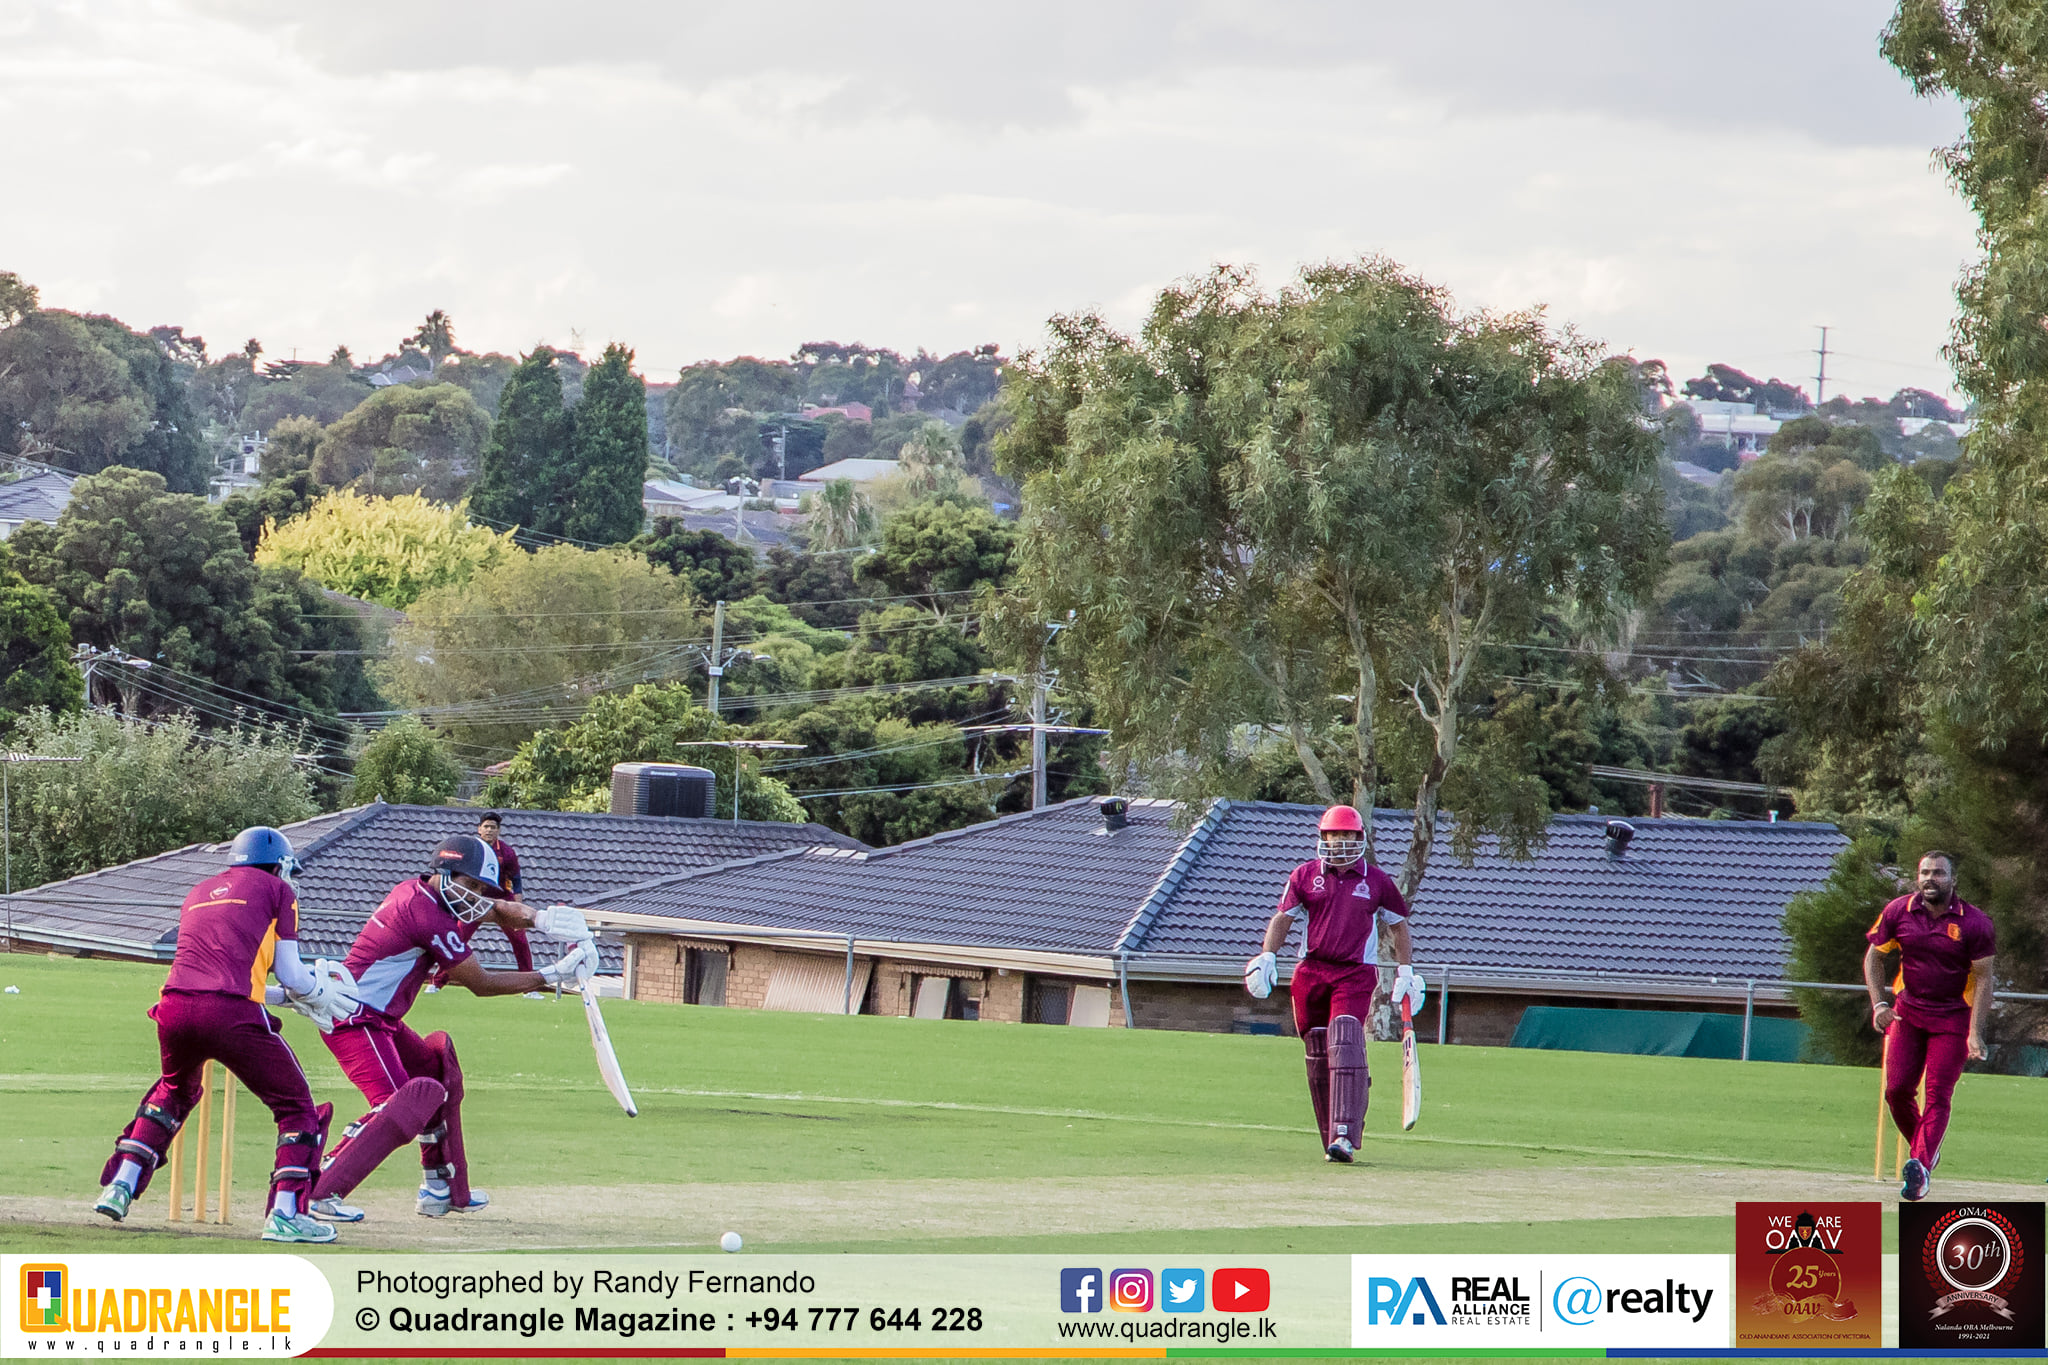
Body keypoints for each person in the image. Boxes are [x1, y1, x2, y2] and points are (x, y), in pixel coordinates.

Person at [91, 826, 353, 1243]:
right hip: (230, 1011)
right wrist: (317, 993)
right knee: (296, 1109)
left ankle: (122, 1182)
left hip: (174, 1007)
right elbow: (291, 973)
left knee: (173, 1092)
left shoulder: (200, 890)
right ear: (279, 864)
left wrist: (288, 996)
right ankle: (285, 1213)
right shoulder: (279, 891)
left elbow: (223, 971)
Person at [312, 834, 589, 1221]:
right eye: (470, 884)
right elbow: (481, 984)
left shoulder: (425, 892)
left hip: (380, 1020)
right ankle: (318, 1190)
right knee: (398, 1105)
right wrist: (553, 975)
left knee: (437, 1070)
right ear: (445, 872)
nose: (475, 895)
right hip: (355, 1018)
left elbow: (491, 908)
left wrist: (542, 919)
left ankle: (440, 1185)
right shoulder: (423, 914)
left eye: (480, 887)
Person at [1243, 804, 1423, 1162]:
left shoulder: (1377, 881)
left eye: (1347, 835)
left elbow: (1398, 925)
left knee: (1345, 1038)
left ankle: (1344, 1133)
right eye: (1333, 835)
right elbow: (1284, 918)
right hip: (1310, 971)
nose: (1339, 842)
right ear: (1322, 838)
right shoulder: (1305, 875)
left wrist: (1406, 972)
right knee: (1318, 1052)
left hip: (1354, 973)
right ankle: (1332, 1135)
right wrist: (1267, 956)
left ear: (1360, 838)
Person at [1865, 849, 1994, 1203]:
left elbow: (1984, 979)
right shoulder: (1899, 911)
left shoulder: (1975, 923)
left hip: (1953, 1016)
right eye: (1924, 872)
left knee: (1938, 1094)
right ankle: (1928, 1155)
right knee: (1897, 1091)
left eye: (1938, 873)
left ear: (1953, 880)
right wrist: (1879, 1003)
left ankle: (1919, 1168)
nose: (1929, 879)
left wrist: (1975, 1031)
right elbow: (1875, 956)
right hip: (1908, 1013)